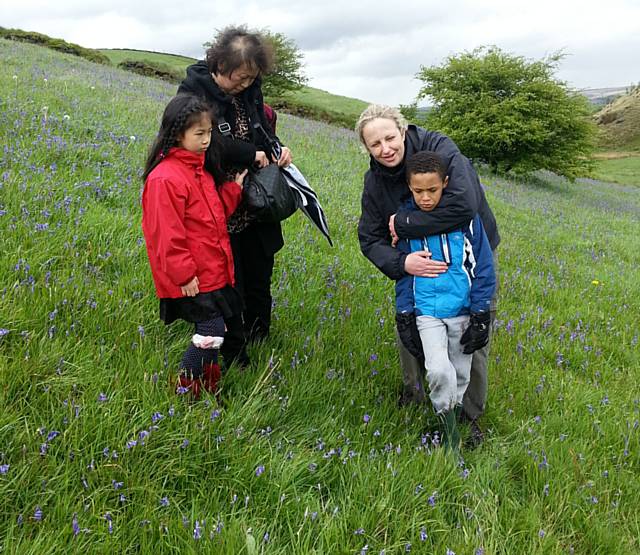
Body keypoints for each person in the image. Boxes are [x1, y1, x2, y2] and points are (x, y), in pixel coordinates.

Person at [356, 104, 500, 445]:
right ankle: (415, 393)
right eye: (375, 145)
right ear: (367, 148)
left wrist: (404, 224)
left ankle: (469, 413)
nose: (385, 149)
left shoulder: (442, 150)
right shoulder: (375, 182)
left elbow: (464, 205)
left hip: (468, 254)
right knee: (411, 323)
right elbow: (370, 238)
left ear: (403, 131)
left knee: (472, 331)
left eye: (390, 138)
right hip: (415, 264)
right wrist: (402, 263)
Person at [177, 25, 292, 367]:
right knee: (229, 278)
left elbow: (263, 129)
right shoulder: (192, 93)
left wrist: (276, 149)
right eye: (238, 78)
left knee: (260, 269)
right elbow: (203, 140)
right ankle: (232, 348)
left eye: (250, 78)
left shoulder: (251, 92)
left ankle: (259, 333)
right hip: (217, 199)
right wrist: (249, 154)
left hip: (254, 200)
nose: (243, 85)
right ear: (219, 65)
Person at [141, 94, 247, 398]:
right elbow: (165, 234)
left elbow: (210, 217)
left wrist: (232, 192)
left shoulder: (197, 170)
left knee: (214, 334)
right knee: (210, 331)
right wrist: (184, 274)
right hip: (192, 277)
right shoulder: (165, 178)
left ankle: (206, 386)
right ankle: (186, 392)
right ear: (177, 134)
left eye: (209, 132)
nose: (206, 140)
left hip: (212, 270)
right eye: (199, 133)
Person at [395, 151, 496, 450]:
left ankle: (452, 419)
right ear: (409, 187)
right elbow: (403, 272)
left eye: (433, 190)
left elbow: (484, 267)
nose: (425, 198)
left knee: (461, 374)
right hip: (427, 313)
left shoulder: (467, 221)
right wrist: (405, 313)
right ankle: (448, 430)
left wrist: (480, 312)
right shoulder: (404, 224)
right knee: (438, 370)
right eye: (418, 191)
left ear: (446, 183)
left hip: (462, 312)